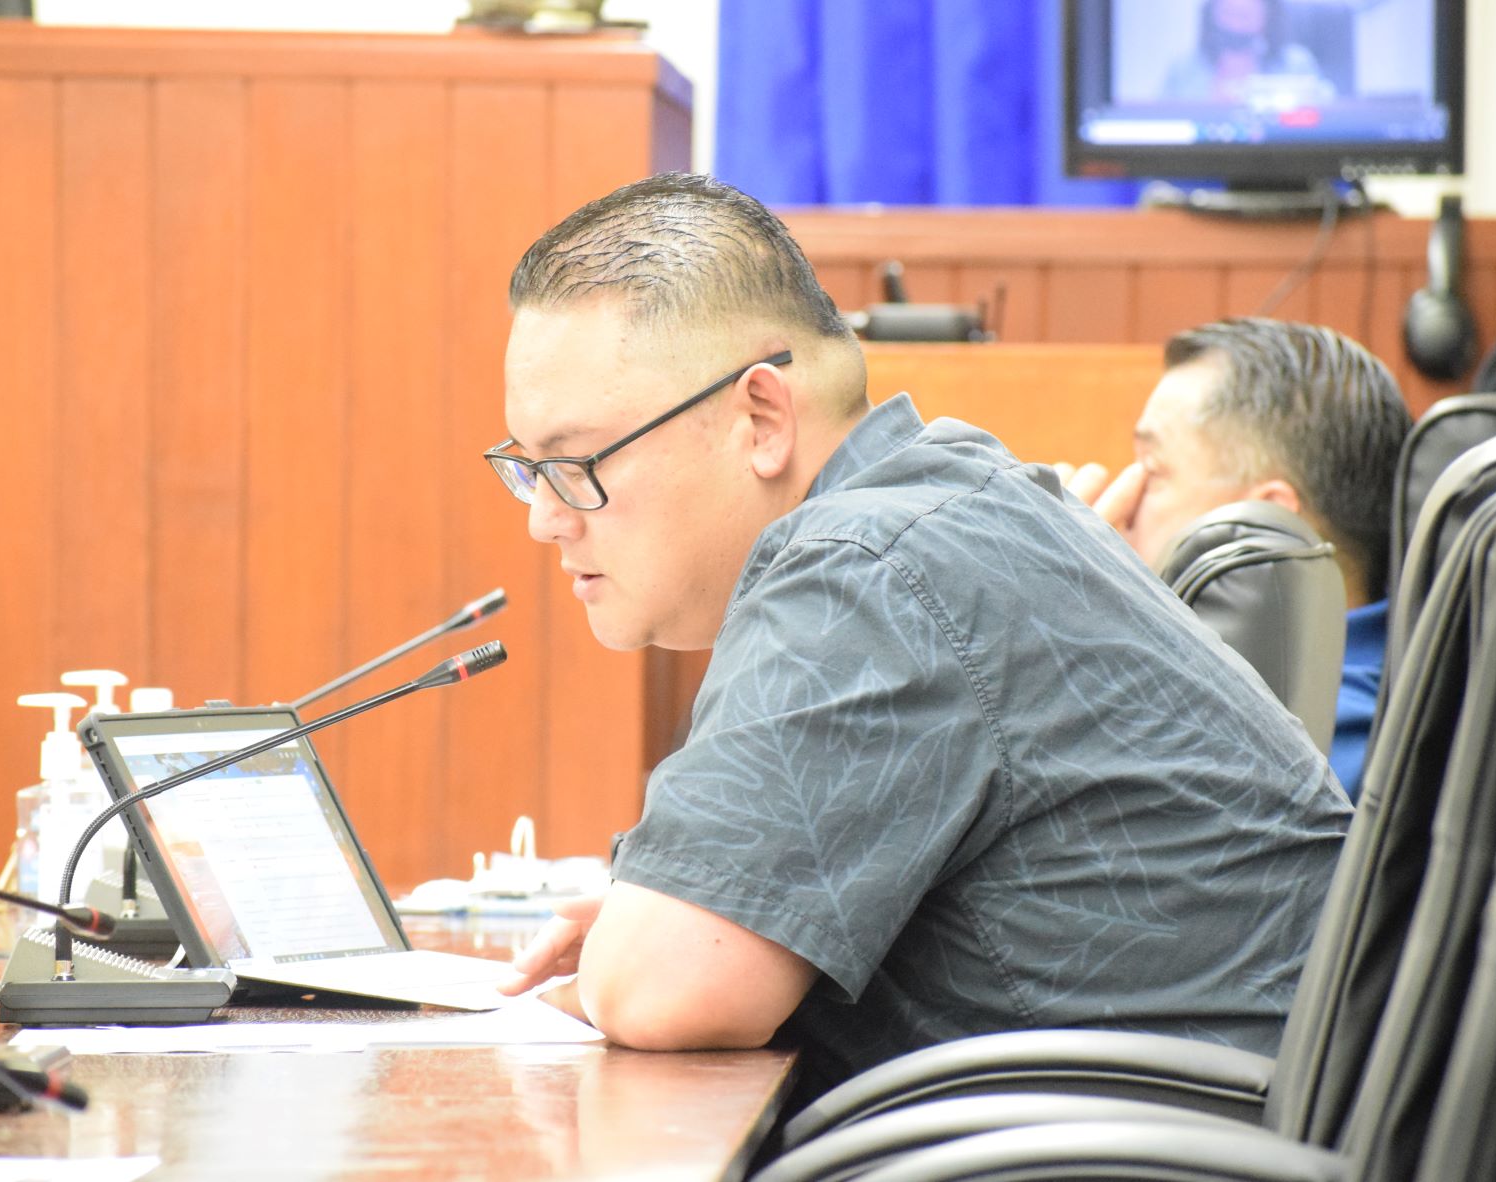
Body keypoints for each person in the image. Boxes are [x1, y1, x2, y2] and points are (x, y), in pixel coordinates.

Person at [484, 174, 1349, 1107]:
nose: (544, 520)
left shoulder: (862, 563)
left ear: (760, 418)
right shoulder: (955, 499)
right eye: (526, 469)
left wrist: (636, 951)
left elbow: (666, 988)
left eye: (573, 464)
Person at [1057, 319, 1412, 796]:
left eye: (1152, 471)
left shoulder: (1322, 734)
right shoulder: (1397, 668)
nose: (1125, 502)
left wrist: (1064, 621)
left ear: (1267, 523)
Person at [1161, 0, 1330, 105]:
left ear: (1267, 17)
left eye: (1245, 16)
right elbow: (1166, 118)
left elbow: (1329, 108)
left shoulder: (1296, 64)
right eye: (1229, 14)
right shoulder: (1185, 68)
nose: (1235, 26)